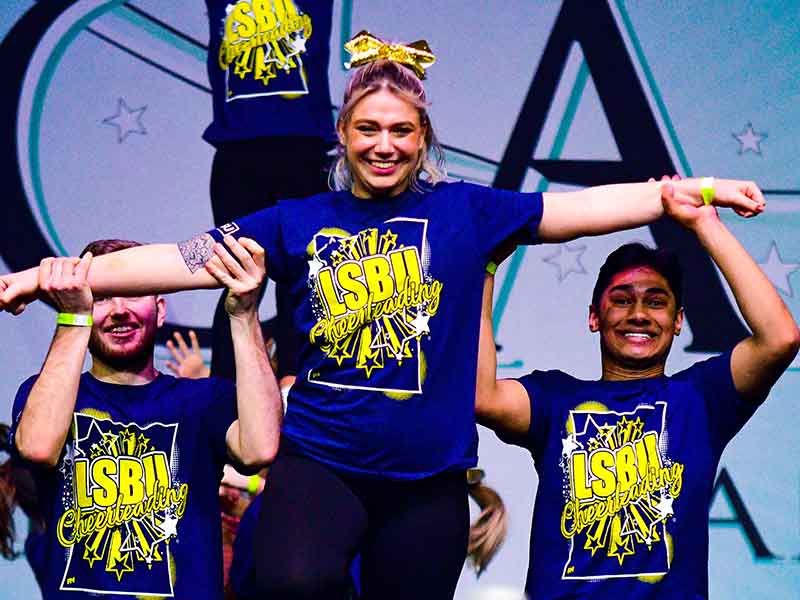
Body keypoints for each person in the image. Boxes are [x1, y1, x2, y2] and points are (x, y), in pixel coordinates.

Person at [0, 32, 766, 598]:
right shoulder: (297, 219)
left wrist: (686, 192)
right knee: (295, 582)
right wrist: (49, 275)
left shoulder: (467, 212)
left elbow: (582, 210)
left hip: (427, 479)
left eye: (401, 131)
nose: (385, 144)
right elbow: (178, 257)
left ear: (423, 138)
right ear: (343, 136)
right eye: (369, 129)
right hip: (322, 461)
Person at [474, 183, 799, 598]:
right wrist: (485, 269)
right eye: (622, 300)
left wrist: (704, 222)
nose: (640, 315)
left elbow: (780, 338)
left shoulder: (701, 398)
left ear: (679, 320)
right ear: (595, 317)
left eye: (656, 302)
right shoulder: (555, 400)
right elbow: (483, 396)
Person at [8, 237, 282, 598]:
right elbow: (39, 448)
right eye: (102, 296)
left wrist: (244, 315)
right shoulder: (45, 393)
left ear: (161, 309)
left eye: (133, 293)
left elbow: (259, 449)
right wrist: (74, 316)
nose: (119, 309)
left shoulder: (203, 400)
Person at [204, 0, 336, 384]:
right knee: (240, 274)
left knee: (304, 273)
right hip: (239, 154)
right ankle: (223, 392)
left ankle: (300, 381)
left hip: (305, 150)